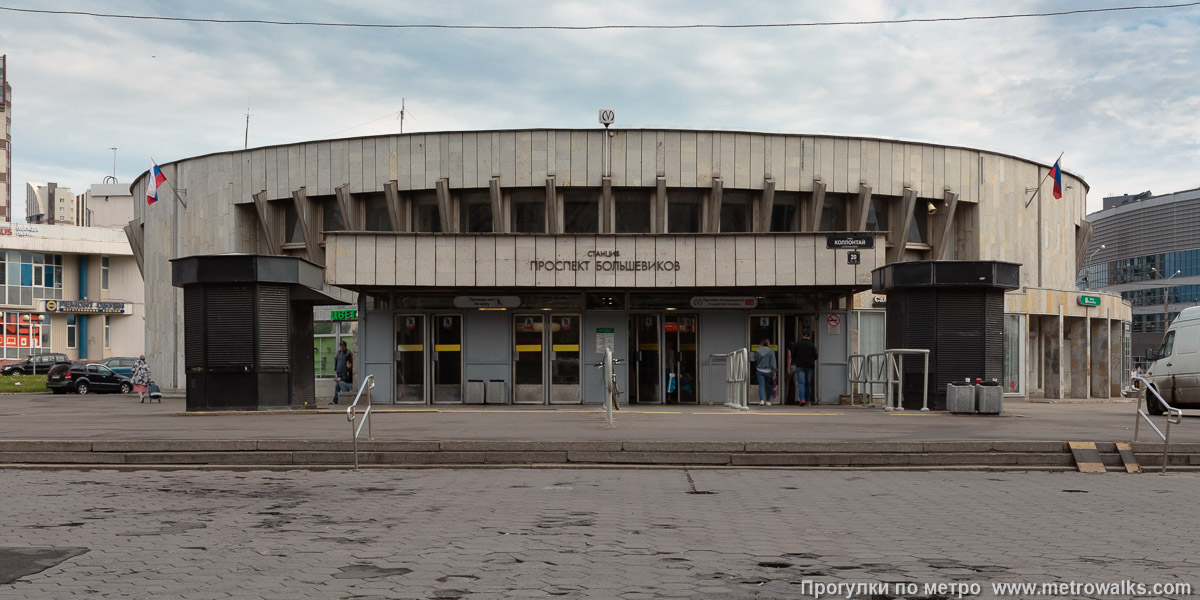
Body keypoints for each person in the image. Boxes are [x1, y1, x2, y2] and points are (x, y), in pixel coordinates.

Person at [787, 333, 818, 406]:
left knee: (801, 383)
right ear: (809, 337)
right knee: (808, 384)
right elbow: (816, 356)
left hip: (800, 366)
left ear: (802, 336)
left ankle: (802, 399)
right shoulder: (812, 345)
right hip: (809, 366)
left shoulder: (797, 345)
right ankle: (808, 401)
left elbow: (793, 356)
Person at [754, 338, 777, 406]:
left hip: (759, 370)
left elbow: (755, 358)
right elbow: (773, 362)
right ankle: (768, 400)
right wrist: (774, 371)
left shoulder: (758, 350)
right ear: (768, 343)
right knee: (768, 386)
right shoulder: (771, 351)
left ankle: (761, 400)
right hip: (768, 371)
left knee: (761, 385)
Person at [332, 340, 354, 405]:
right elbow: (336, 361)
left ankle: (338, 400)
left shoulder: (348, 353)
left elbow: (351, 361)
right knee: (337, 386)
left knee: (340, 384)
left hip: (345, 373)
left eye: (343, 347)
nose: (341, 349)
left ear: (345, 347)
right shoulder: (338, 353)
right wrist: (336, 368)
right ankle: (335, 400)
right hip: (339, 372)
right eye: (340, 347)